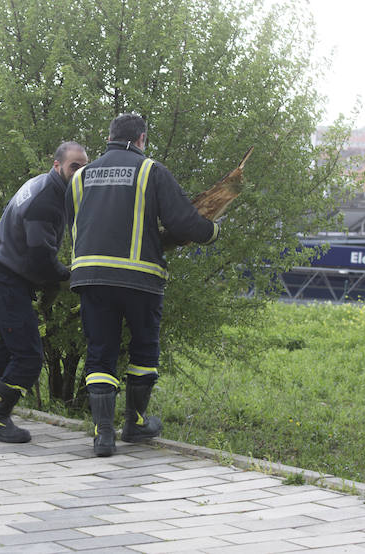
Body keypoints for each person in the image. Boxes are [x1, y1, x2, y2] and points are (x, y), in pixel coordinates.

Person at [66, 113, 219, 457]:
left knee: (100, 353)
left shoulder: (80, 177)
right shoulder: (151, 171)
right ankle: (135, 422)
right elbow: (183, 221)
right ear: (141, 139)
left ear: (109, 138)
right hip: (139, 279)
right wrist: (211, 232)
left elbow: (77, 224)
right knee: (144, 351)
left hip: (90, 277)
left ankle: (103, 434)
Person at [0, 142, 88, 443]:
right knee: (28, 356)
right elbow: (39, 253)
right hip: (8, 280)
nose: (80, 172)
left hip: (7, 276)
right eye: (75, 166)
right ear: (57, 165)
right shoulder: (46, 200)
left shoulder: (46, 186)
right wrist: (66, 275)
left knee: (9, 347)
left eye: (84, 167)